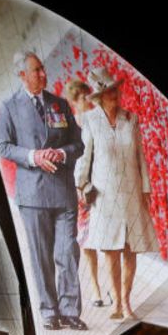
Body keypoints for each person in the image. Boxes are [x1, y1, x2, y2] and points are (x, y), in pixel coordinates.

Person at [0, 52, 86, 330]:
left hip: (63, 191)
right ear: (22, 75)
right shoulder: (9, 107)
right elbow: (4, 146)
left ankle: (70, 310)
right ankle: (49, 311)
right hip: (32, 194)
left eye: (43, 69)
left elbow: (78, 145)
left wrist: (60, 152)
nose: (43, 74)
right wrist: (34, 156)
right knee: (41, 255)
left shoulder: (59, 104)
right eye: (36, 70)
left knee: (67, 251)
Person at [73, 67, 158, 320]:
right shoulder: (90, 121)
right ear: (99, 96)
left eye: (115, 90)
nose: (115, 94)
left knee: (131, 250)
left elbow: (141, 156)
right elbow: (85, 156)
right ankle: (116, 304)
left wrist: (145, 189)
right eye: (109, 91)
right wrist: (81, 185)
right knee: (111, 251)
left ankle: (127, 301)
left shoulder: (131, 119)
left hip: (131, 192)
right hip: (105, 196)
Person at [63, 78, 108, 309]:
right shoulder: (70, 128)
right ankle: (96, 290)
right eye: (80, 97)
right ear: (74, 101)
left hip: (101, 186)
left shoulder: (98, 123)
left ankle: (110, 286)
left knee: (110, 238)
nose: (85, 101)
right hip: (81, 189)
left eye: (86, 96)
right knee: (87, 241)